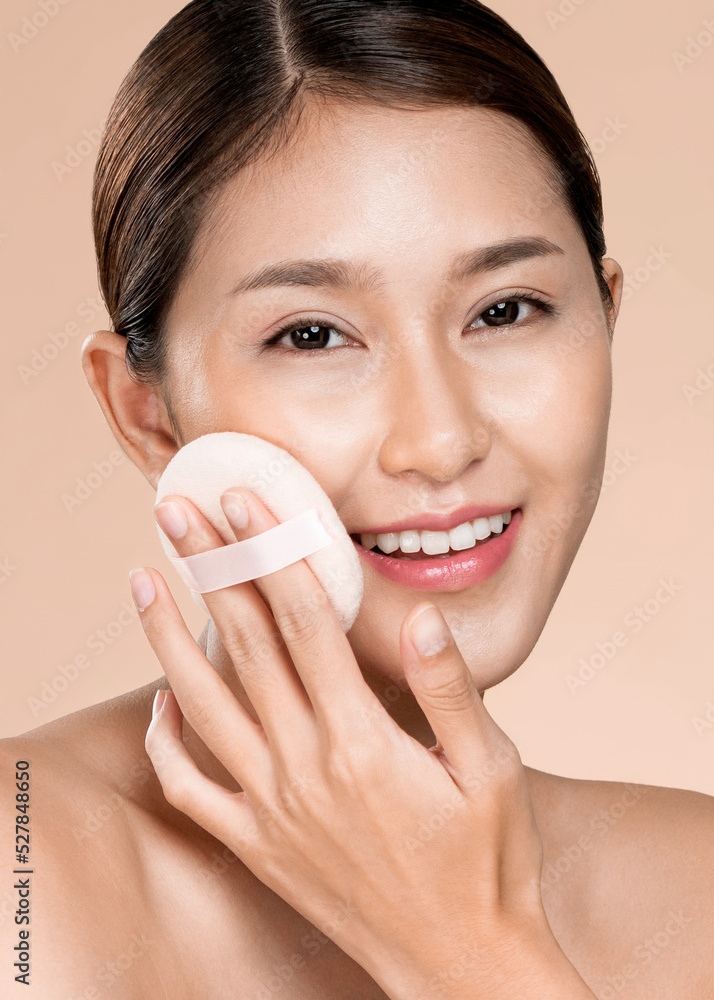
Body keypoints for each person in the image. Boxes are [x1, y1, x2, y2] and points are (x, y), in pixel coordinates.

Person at [3, 1, 713, 996]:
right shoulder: (21, 879)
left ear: (606, 317)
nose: (442, 439)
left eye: (506, 310)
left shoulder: (698, 893)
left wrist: (466, 948)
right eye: (313, 335)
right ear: (146, 412)